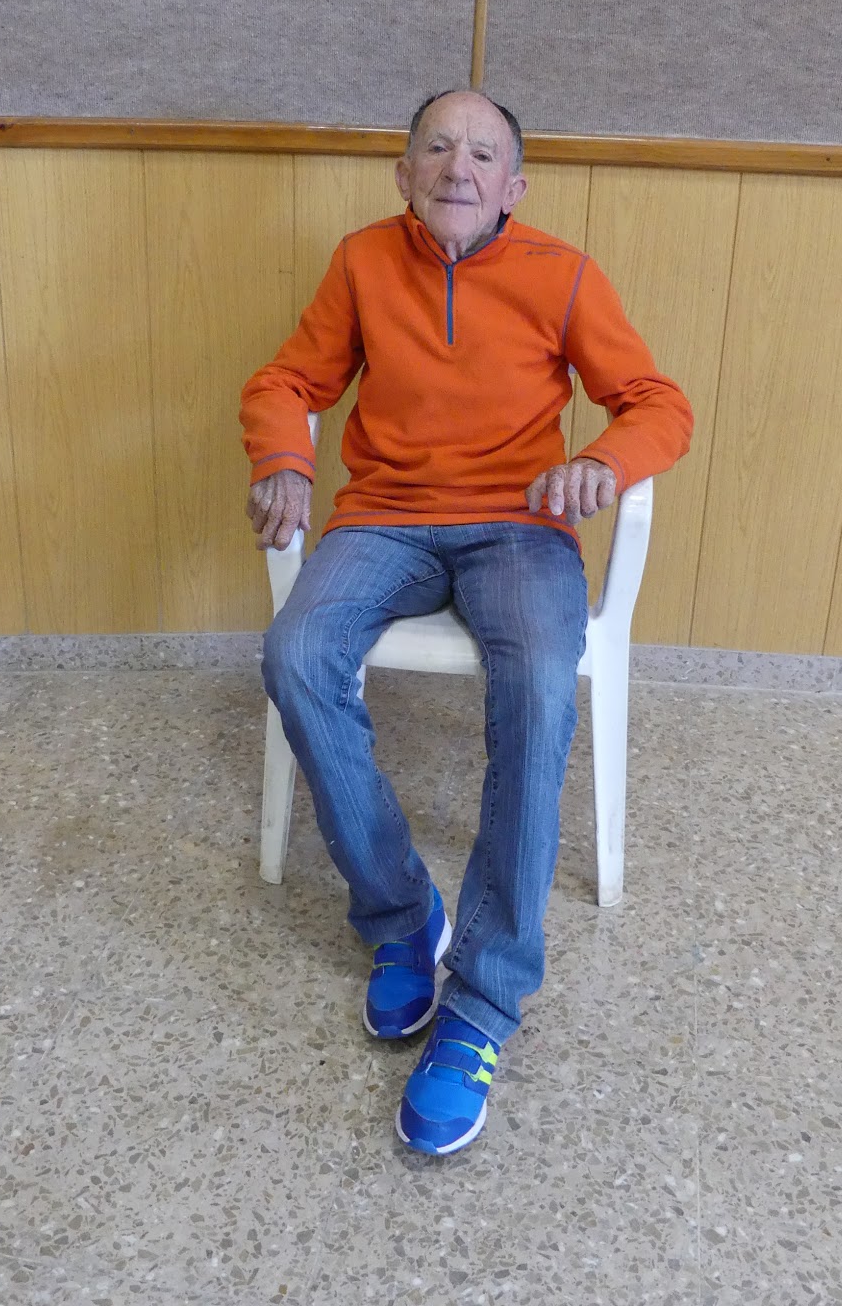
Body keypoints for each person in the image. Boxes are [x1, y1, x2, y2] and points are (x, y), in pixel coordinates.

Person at [240, 89, 692, 1156]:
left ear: (513, 187)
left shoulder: (562, 273)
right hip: (386, 520)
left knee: (537, 682)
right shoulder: (362, 262)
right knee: (296, 652)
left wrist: (602, 460)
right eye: (437, 148)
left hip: (519, 525)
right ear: (404, 174)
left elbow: (657, 402)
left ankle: (484, 1001)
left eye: (483, 154)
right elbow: (289, 381)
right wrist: (285, 458)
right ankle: (403, 919)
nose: (459, 168)